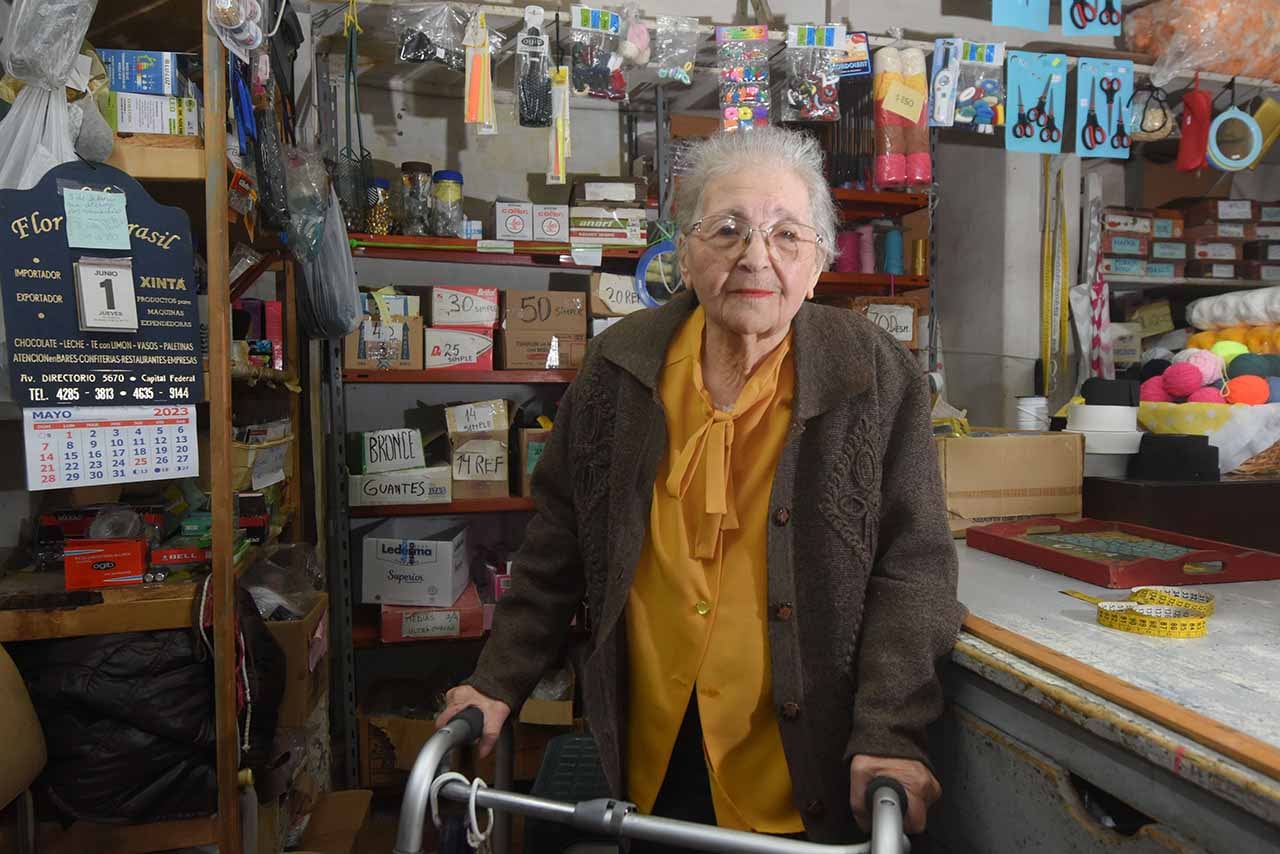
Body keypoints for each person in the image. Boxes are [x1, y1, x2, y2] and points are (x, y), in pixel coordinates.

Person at [437, 126, 964, 847]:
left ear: (819, 264)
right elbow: (558, 542)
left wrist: (890, 731)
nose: (756, 256)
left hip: (803, 765)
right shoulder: (620, 369)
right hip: (655, 752)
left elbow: (915, 570)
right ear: (684, 252)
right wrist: (497, 681)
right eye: (727, 229)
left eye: (786, 234)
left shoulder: (875, 379)